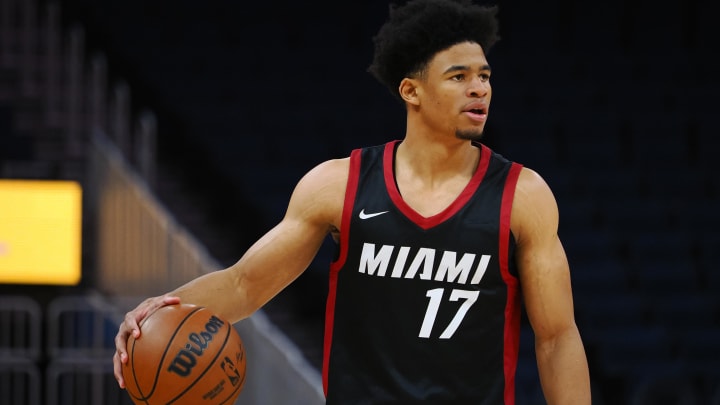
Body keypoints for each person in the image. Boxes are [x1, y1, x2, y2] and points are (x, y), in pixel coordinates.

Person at [113, 0, 591, 403]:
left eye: (484, 75)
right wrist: (158, 311)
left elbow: (556, 338)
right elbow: (245, 285)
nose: (479, 88)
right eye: (459, 75)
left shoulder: (523, 195)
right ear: (412, 91)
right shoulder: (339, 185)